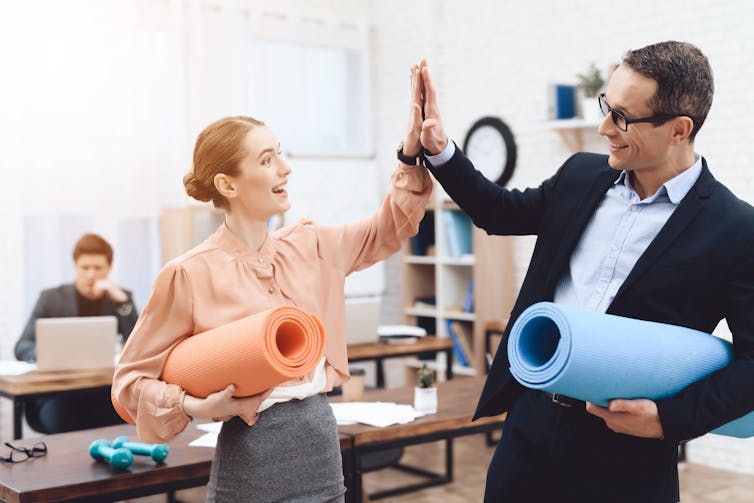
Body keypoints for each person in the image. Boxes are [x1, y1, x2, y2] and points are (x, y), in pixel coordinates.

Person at [418, 41, 754, 502]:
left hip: (628, 453)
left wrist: (669, 421)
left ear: (679, 129)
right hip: (529, 426)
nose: (603, 128)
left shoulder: (736, 228)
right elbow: (499, 212)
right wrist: (440, 150)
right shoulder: (581, 175)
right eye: (606, 107)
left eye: (622, 117)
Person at [112, 63, 431, 502]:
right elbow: (129, 382)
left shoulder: (311, 245)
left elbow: (391, 226)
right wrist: (195, 406)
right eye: (267, 160)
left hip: (322, 451)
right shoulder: (188, 274)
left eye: (280, 153)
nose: (285, 168)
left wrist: (410, 153)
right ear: (228, 183)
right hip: (251, 466)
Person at [15, 232, 138, 434]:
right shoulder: (51, 298)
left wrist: (123, 302)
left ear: (109, 268)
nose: (91, 274)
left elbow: (140, 345)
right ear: (75, 266)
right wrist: (47, 355)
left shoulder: (120, 298)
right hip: (59, 394)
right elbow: (22, 346)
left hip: (103, 392)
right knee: (65, 417)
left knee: (126, 416)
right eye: (85, 267)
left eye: (98, 268)